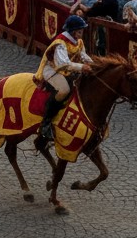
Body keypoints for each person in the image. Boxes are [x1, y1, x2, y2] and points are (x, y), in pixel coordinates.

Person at [32, 14, 93, 142]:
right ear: (74, 31)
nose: (82, 32)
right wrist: (82, 68)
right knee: (64, 90)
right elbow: (62, 64)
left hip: (67, 70)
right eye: (80, 30)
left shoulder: (78, 41)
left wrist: (95, 65)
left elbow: (83, 56)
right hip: (53, 70)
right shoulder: (60, 43)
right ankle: (46, 123)